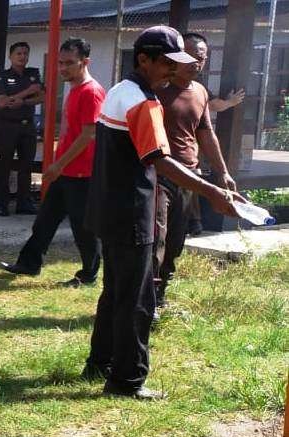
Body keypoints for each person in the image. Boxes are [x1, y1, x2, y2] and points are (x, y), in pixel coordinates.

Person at [83, 26, 238, 401]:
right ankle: (127, 380)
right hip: (135, 210)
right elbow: (159, 160)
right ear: (144, 60)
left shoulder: (120, 90)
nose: (173, 70)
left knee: (114, 292)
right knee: (137, 299)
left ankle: (100, 362)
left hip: (108, 207)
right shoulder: (143, 101)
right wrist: (212, 191)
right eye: (167, 63)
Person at [0, 37, 104, 286]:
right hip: (65, 171)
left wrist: (58, 164)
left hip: (82, 174)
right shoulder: (75, 89)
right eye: (60, 63)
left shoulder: (91, 91)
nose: (63, 68)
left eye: (69, 63)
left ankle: (88, 275)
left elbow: (90, 134)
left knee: (84, 229)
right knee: (45, 220)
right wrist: (59, 163)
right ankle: (29, 263)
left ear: (85, 62)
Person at [153, 31, 236, 308]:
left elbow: (206, 134)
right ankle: (147, 299)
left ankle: (160, 293)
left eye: (201, 58)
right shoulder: (157, 90)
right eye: (190, 56)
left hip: (190, 177)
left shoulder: (200, 92)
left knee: (176, 241)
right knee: (157, 240)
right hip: (159, 175)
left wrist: (222, 171)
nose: (196, 62)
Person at [0, 42, 43, 216]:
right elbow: (2, 102)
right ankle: (3, 204)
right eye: (19, 53)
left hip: (27, 125)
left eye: (25, 53)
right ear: (10, 56)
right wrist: (27, 92)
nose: (22, 57)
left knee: (26, 165)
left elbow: (41, 96)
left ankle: (24, 203)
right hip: (8, 126)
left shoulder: (33, 73)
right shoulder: (2, 76)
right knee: (5, 165)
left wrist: (24, 101)